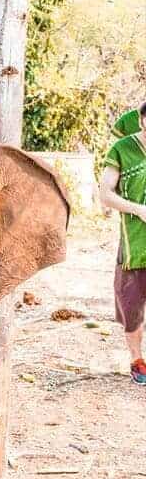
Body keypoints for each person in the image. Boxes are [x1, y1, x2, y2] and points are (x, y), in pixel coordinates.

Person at [100, 117, 146, 384]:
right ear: (141, 121)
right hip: (135, 248)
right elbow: (105, 193)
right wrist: (137, 209)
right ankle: (137, 360)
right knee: (132, 308)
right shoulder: (122, 149)